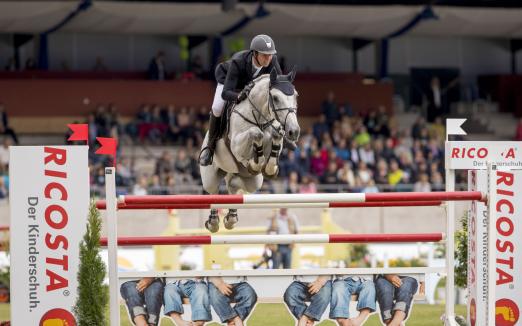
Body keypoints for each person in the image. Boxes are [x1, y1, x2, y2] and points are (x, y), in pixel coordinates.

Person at [199, 34, 282, 166]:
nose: (269, 58)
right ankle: (210, 147)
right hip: (229, 83)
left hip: (250, 87)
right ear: (255, 53)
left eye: (271, 54)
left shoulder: (272, 60)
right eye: (265, 55)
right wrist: (238, 96)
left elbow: (279, 85)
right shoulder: (239, 60)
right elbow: (226, 93)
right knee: (217, 108)